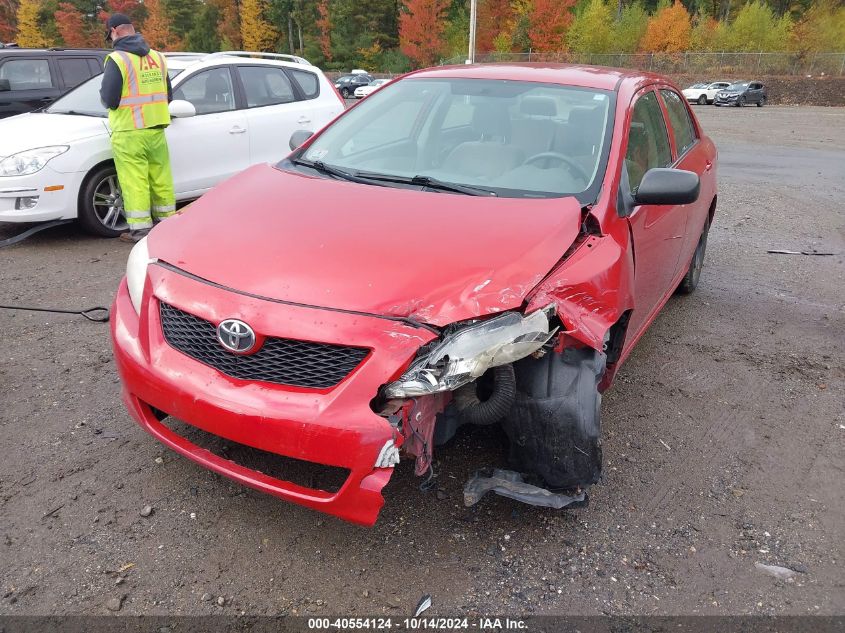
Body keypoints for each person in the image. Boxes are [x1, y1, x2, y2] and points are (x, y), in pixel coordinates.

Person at [100, 13, 176, 243]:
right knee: (161, 179)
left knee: (135, 182)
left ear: (114, 31)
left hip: (128, 131)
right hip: (156, 129)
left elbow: (110, 99)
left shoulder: (118, 59)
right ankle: (169, 226)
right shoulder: (158, 57)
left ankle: (141, 231)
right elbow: (168, 95)